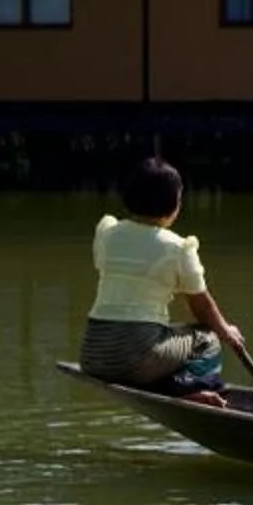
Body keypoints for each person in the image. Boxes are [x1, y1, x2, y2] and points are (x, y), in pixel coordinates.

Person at [80, 155, 241, 405]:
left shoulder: (108, 233)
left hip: (93, 353)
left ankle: (163, 379)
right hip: (136, 354)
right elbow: (202, 308)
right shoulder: (177, 248)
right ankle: (184, 389)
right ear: (173, 206)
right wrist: (227, 331)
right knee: (208, 339)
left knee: (171, 332)